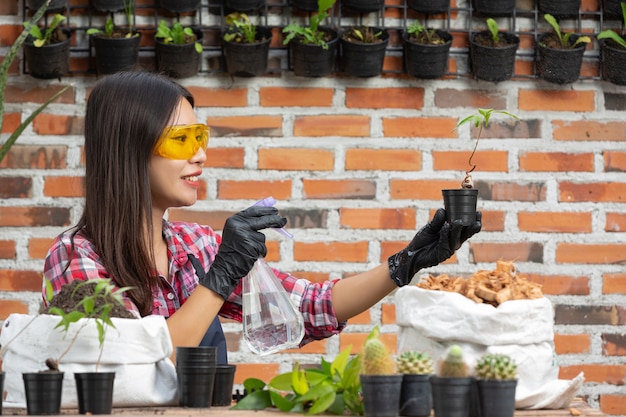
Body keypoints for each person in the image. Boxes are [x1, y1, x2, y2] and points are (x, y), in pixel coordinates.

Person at [43, 71, 482, 364]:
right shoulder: (76, 258)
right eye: (182, 140)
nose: (200, 154)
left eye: (201, 136)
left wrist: (405, 264)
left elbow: (308, 305)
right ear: (130, 150)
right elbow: (134, 361)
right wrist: (220, 277)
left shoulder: (194, 246)